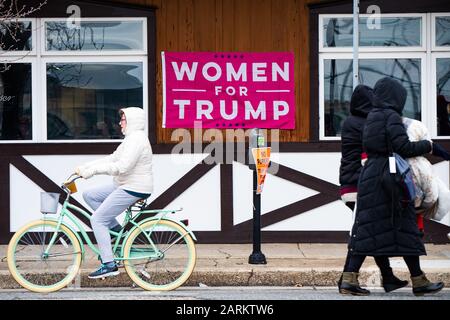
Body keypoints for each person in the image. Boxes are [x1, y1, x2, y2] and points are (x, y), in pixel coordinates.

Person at [341, 77, 445, 296]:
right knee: (404, 227)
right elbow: (403, 146)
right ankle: (418, 281)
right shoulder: (390, 116)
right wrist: (429, 145)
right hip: (388, 179)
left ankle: (352, 279)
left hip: (372, 175)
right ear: (396, 97)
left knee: (370, 229)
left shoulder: (373, 116)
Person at [338, 84, 408, 295]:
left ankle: (386, 278)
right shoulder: (363, 123)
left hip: (353, 184)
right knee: (364, 232)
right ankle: (349, 280)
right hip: (360, 185)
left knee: (371, 231)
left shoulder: (352, 122)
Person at [75, 107, 153, 279]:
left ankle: (109, 264)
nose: (120, 123)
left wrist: (93, 172)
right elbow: (112, 158)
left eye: (123, 120)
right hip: (125, 184)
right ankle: (119, 233)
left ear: (133, 121)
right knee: (90, 195)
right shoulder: (130, 139)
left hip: (134, 187)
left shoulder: (137, 140)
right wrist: (87, 166)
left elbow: (122, 167)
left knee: (97, 219)